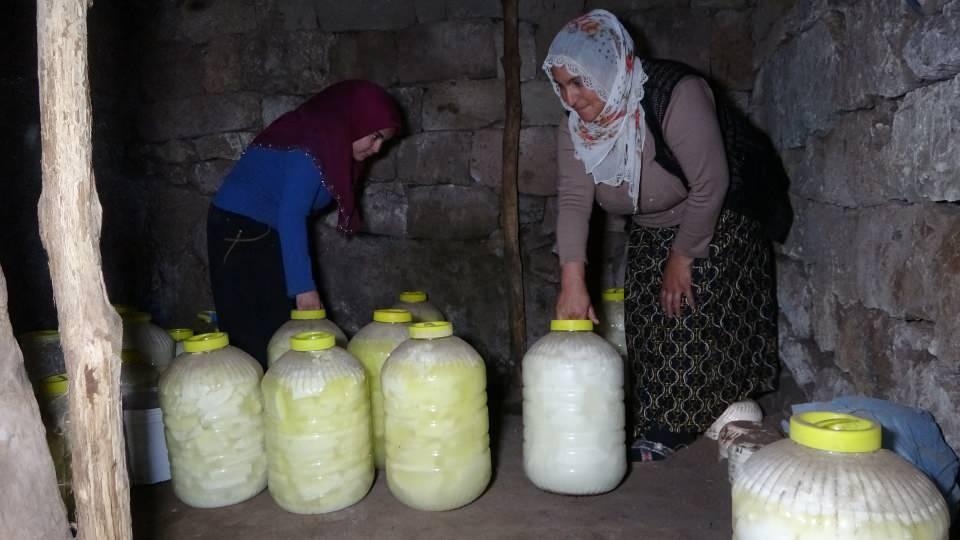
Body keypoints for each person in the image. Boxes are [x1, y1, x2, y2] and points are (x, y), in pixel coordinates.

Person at [543, 10, 780, 461]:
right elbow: (574, 200)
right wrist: (571, 280)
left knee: (687, 306)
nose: (571, 99)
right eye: (561, 86)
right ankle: (665, 408)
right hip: (653, 223)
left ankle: (682, 419)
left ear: (608, 68)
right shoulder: (575, 128)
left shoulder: (676, 96)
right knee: (644, 316)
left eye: (579, 83)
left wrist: (684, 255)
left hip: (720, 211)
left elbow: (710, 183)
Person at [207, 80, 401, 368]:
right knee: (256, 333)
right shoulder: (313, 143)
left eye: (383, 141)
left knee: (279, 330)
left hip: (262, 229)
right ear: (355, 121)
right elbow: (291, 214)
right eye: (374, 136)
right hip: (239, 229)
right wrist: (304, 289)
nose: (377, 148)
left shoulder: (330, 144)